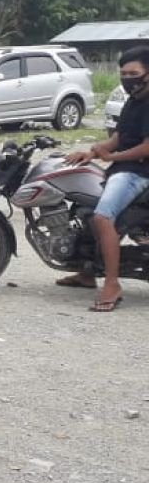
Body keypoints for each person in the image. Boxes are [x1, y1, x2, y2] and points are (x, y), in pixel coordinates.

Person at [60, 45, 149, 311]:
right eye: (123, 73)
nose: (127, 78)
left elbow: (146, 147)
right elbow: (120, 137)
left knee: (102, 217)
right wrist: (92, 152)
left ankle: (112, 284)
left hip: (138, 173)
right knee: (83, 207)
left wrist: (112, 158)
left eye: (133, 72)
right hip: (122, 168)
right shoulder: (134, 99)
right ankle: (87, 272)